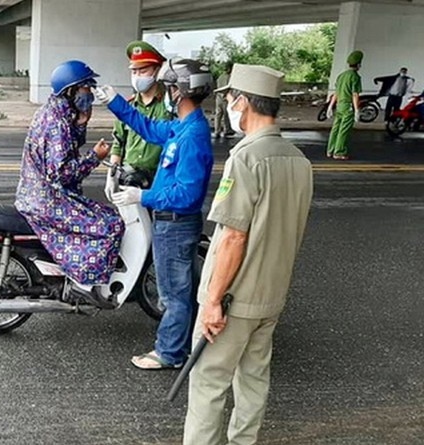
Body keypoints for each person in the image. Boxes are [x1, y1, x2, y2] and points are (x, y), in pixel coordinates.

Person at [183, 63, 313, 445]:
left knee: (209, 382)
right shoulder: (299, 160)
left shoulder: (246, 158)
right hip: (271, 296)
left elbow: (232, 238)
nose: (230, 109)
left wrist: (210, 302)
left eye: (232, 101)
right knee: (254, 380)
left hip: (233, 299)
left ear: (243, 102)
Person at [93, 59, 215, 369]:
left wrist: (142, 195)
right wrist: (116, 103)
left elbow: (187, 194)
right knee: (179, 291)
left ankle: (170, 354)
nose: (168, 92)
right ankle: (180, 347)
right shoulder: (181, 128)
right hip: (170, 223)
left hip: (175, 224)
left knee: (173, 294)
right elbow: (147, 127)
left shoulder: (192, 136)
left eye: (172, 87)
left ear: (181, 93)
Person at [14, 60, 123, 308]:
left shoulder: (56, 112)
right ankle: (83, 283)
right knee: (111, 225)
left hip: (43, 195)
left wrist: (82, 122)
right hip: (48, 200)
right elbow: (62, 174)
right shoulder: (56, 123)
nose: (91, 93)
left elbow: (66, 150)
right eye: (87, 87)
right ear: (72, 90)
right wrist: (95, 157)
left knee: (105, 217)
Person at [105, 40, 171, 198]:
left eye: (143, 71)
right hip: (129, 179)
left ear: (157, 70)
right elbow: (118, 142)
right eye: (134, 71)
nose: (137, 76)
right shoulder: (128, 107)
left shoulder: (169, 106)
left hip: (159, 180)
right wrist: (112, 174)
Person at [326, 50, 363, 160]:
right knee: (344, 130)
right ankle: (339, 151)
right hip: (348, 106)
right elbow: (355, 94)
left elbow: (336, 93)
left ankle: (330, 150)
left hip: (339, 105)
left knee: (335, 128)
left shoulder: (341, 76)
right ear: (359, 64)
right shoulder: (355, 77)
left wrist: (330, 106)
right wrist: (357, 110)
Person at [214, 62, 235, 139]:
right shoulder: (229, 77)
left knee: (218, 115)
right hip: (225, 98)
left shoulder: (220, 77)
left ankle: (217, 131)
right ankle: (227, 130)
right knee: (226, 115)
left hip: (218, 97)